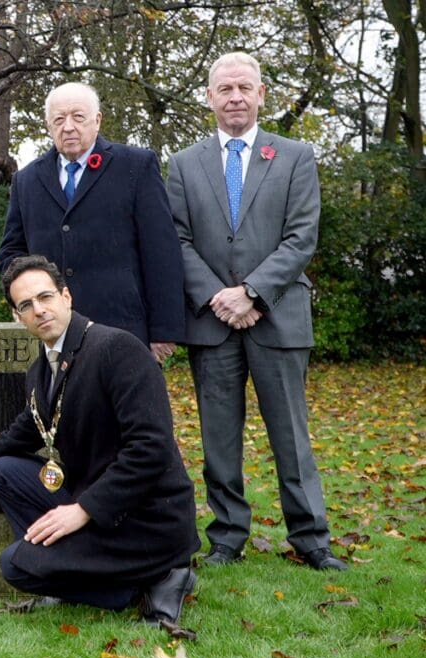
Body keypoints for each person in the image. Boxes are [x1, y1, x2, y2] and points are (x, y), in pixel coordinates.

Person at [0, 255, 200, 624]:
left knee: (16, 566)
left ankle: (163, 575)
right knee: (6, 470)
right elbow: (16, 437)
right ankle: (117, 586)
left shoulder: (117, 349)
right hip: (95, 501)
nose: (39, 310)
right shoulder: (40, 371)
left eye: (45, 297)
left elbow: (151, 449)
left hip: (146, 520)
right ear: (17, 316)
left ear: (67, 296)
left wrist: (84, 509)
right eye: (26, 305)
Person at [166, 52, 346, 571]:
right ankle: (227, 537)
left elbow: (301, 237)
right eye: (225, 88)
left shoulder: (294, 156)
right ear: (210, 97)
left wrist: (251, 292)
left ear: (262, 94)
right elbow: (175, 240)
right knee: (218, 439)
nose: (236, 97)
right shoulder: (183, 163)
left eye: (245, 87)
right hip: (211, 323)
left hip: (279, 318)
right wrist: (219, 297)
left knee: (291, 436)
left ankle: (311, 539)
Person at [0, 82, 184, 363]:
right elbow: (11, 253)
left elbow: (162, 251)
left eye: (78, 117)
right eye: (59, 119)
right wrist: (23, 301)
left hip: (126, 330)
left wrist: (163, 329)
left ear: (97, 121)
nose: (68, 127)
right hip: (55, 334)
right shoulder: (26, 181)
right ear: (48, 125)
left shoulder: (136, 166)